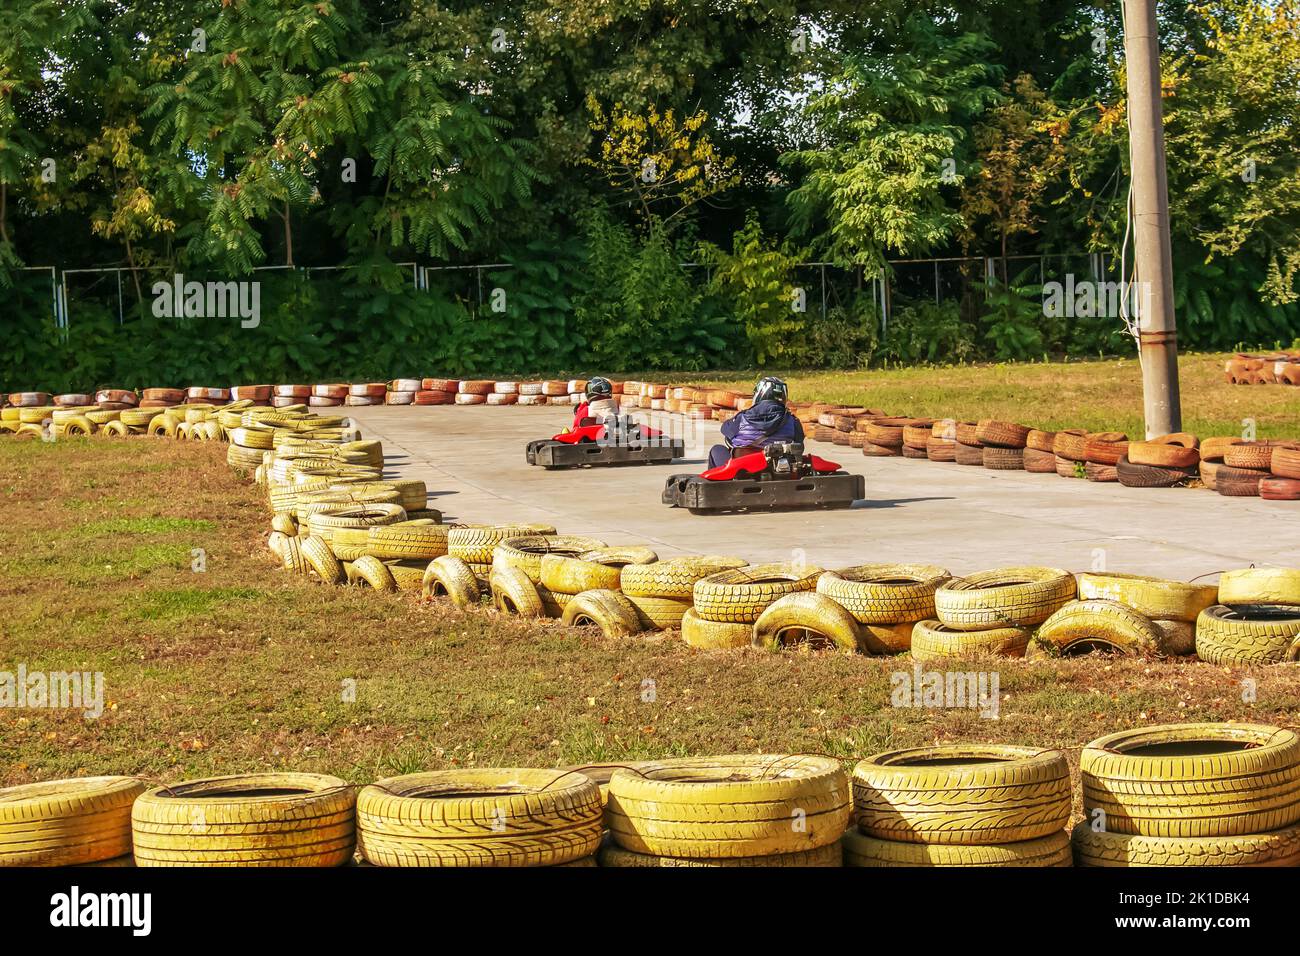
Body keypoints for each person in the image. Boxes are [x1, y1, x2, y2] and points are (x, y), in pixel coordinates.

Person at [708, 376, 803, 469]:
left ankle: (717, 484)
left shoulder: (743, 418)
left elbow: (727, 434)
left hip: (742, 469)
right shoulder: (793, 421)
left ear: (760, 394)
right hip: (777, 469)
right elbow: (799, 447)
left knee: (717, 449)